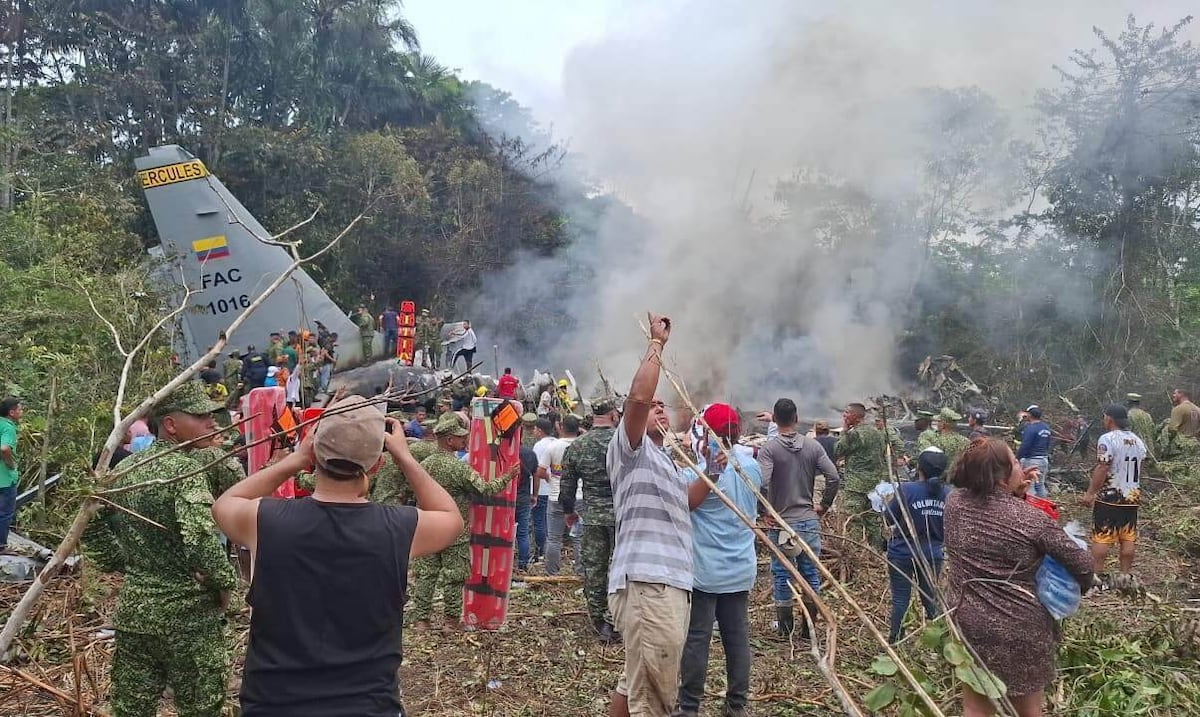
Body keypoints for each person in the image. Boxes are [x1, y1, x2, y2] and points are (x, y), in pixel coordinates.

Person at [212, 396, 464, 717]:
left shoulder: (266, 520)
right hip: (367, 706)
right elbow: (450, 516)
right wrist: (405, 457)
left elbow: (224, 504)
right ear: (375, 464)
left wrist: (293, 460)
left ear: (315, 453)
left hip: (274, 704)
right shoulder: (398, 527)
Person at [82, 384, 236, 717]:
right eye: (200, 416)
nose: (212, 423)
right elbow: (202, 541)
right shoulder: (184, 472)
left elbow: (88, 521)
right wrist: (223, 585)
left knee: (131, 710)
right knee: (201, 709)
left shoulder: (125, 470)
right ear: (170, 425)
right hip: (188, 619)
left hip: (135, 615)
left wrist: (121, 561)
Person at [944, 438, 1093, 717]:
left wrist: (1017, 494)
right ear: (1001, 476)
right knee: (1027, 711)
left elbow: (993, 517)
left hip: (967, 620)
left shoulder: (954, 503)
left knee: (976, 707)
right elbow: (1083, 565)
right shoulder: (1031, 520)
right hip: (1021, 628)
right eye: (1015, 462)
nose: (1020, 467)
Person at [606, 312, 692, 717]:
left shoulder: (666, 461)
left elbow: (687, 504)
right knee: (654, 694)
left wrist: (716, 466)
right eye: (654, 405)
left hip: (669, 582)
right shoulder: (630, 449)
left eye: (665, 406)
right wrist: (656, 346)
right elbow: (638, 399)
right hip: (648, 582)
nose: (659, 407)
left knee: (637, 679)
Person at [676, 403, 759, 717]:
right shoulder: (750, 467)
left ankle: (688, 707)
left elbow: (685, 503)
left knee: (697, 639)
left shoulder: (699, 472)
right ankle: (736, 705)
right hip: (740, 568)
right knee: (736, 638)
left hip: (705, 572)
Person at [410, 412, 512, 629]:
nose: (464, 441)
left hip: (427, 527)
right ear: (449, 440)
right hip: (454, 530)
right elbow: (485, 489)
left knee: (426, 575)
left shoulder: (424, 465)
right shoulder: (458, 468)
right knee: (454, 577)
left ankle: (421, 620)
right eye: (460, 437)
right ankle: (450, 620)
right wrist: (508, 476)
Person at [757, 397, 839, 636]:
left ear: (774, 417)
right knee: (810, 571)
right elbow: (833, 477)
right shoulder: (813, 446)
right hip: (808, 520)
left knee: (783, 573)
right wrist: (823, 506)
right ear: (796, 418)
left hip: (783, 523)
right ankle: (809, 628)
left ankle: (785, 628)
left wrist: (765, 511)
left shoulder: (769, 448)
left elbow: (761, 482)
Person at [561, 396, 620, 642]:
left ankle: (598, 618)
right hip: (623, 516)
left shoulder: (576, 446)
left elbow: (567, 488)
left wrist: (569, 512)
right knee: (620, 568)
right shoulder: (623, 443)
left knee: (595, 568)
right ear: (614, 415)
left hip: (592, 516)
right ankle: (615, 618)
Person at [884, 447, 949, 643]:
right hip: (932, 554)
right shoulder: (949, 494)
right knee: (930, 598)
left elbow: (888, 518)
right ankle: (942, 643)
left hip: (902, 553)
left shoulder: (907, 490)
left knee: (900, 599)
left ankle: (895, 642)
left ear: (919, 467)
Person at [1082, 404, 1147, 580]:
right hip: (1132, 495)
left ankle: (1095, 575)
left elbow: (1103, 467)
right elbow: (1139, 468)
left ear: (1109, 419)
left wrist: (1090, 492)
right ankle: (1124, 575)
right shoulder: (1138, 441)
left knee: (1102, 535)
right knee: (1128, 535)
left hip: (1111, 495)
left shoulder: (1107, 439)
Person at [834, 402, 888, 549]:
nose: (844, 416)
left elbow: (838, 449)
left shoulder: (854, 434)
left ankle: (854, 551)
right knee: (872, 519)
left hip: (856, 485)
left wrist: (844, 430)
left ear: (856, 417)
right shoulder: (877, 433)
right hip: (874, 484)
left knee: (853, 519)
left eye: (847, 413)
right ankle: (877, 552)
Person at [544, 414, 581, 576]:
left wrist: (552, 479)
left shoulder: (553, 447)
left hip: (555, 496)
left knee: (554, 538)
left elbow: (539, 470)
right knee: (579, 537)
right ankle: (581, 572)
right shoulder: (582, 446)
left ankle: (552, 572)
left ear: (561, 427)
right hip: (579, 496)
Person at [530, 417, 556, 562]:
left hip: (542, 489)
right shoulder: (556, 443)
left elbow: (537, 471)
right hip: (554, 488)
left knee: (539, 521)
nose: (533, 432)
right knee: (550, 521)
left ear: (539, 430)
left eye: (534, 429)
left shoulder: (539, 446)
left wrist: (534, 492)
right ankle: (550, 550)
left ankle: (541, 550)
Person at [0, 397, 23, 553]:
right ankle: (1, 545)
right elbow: (4, 448)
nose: (22, 411)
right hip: (5, 478)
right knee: (5, 513)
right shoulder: (8, 427)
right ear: (11, 412)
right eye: (20, 409)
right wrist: (10, 464)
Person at [1017, 404, 1052, 498]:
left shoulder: (1030, 428)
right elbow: (1048, 444)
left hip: (1032, 460)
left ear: (1030, 415)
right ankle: (1042, 508)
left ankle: (1030, 508)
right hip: (1044, 460)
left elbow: (1025, 445)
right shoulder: (1046, 427)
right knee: (1040, 485)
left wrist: (1017, 458)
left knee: (1029, 486)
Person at [515, 434, 538, 571]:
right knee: (523, 533)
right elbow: (536, 476)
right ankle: (523, 564)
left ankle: (503, 562)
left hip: (503, 497)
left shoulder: (501, 451)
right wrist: (534, 495)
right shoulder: (529, 454)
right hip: (523, 498)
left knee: (503, 533)